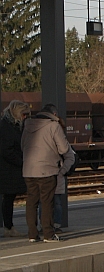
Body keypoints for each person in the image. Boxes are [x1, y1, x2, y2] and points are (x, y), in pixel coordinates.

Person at [21, 103, 71, 243]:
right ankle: (48, 234)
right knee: (47, 202)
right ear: (54, 114)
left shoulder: (27, 125)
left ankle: (32, 234)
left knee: (31, 202)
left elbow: (22, 146)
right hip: (47, 169)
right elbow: (63, 149)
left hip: (28, 170)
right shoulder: (53, 126)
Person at [1, 101, 32, 237]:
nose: (25, 117)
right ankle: (8, 227)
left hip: (10, 168)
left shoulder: (12, 125)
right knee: (8, 197)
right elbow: (6, 150)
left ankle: (9, 226)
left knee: (9, 197)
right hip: (8, 169)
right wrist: (21, 162)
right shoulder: (6, 127)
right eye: (23, 114)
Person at [52, 147, 76, 234]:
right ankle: (50, 225)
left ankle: (55, 225)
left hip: (56, 176)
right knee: (55, 203)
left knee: (55, 203)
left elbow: (70, 157)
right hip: (54, 175)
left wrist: (62, 171)